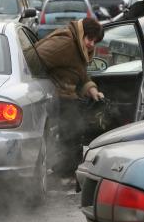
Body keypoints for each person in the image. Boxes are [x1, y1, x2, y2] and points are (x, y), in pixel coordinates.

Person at [34, 18, 104, 178]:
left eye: (95, 41)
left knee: (73, 131)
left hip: (66, 94)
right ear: (82, 34)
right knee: (70, 131)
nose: (92, 44)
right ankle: (65, 169)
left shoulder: (78, 47)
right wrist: (49, 82)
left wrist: (92, 90)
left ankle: (68, 168)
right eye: (90, 39)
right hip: (56, 94)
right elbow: (34, 59)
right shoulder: (66, 44)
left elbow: (80, 74)